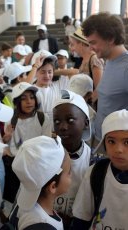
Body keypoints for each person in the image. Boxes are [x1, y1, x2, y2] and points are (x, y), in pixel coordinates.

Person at [71, 109, 128, 230]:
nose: (118, 149)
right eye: (111, 141)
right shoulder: (97, 172)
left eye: (127, 142)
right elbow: (81, 218)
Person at [81, 12, 128, 142]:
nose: (90, 48)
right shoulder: (110, 61)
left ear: (110, 38)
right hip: (101, 142)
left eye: (93, 42)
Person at [12, 135, 71, 229]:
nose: (71, 176)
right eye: (69, 172)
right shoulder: (41, 225)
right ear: (53, 186)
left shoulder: (24, 202)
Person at [52, 90, 91, 228]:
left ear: (86, 123)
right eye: (57, 121)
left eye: (70, 120)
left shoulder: (92, 162)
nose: (62, 127)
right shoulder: (45, 156)